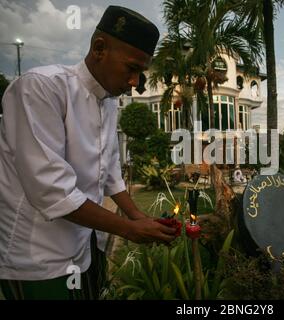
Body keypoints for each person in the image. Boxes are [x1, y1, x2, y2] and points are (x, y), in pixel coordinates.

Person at [0, 6, 177, 300]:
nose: (135, 82)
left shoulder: (108, 102)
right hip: (35, 257)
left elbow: (109, 173)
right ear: (99, 48)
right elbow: (52, 192)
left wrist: (137, 216)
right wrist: (129, 230)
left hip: (83, 248)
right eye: (132, 68)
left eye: (141, 72)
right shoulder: (42, 88)